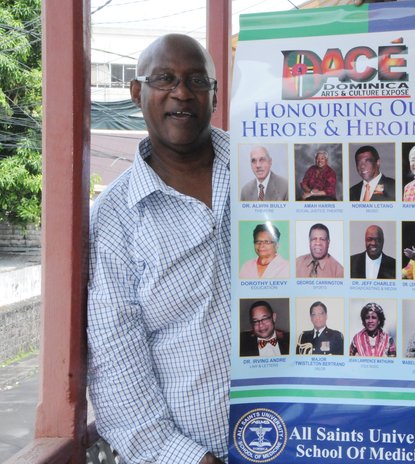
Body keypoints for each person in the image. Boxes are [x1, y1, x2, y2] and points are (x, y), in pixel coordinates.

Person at [87, 34, 230, 464]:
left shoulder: (264, 170)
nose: (182, 92)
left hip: (312, 439)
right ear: (137, 92)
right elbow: (116, 367)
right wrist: (190, 459)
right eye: (164, 78)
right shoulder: (115, 218)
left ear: (215, 95)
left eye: (197, 80)